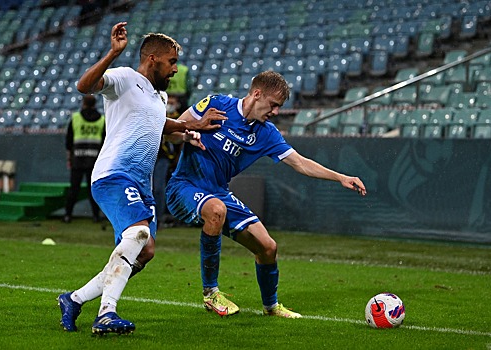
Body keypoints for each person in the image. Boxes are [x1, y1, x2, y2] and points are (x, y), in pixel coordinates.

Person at [57, 22, 225, 335]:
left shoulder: (159, 97)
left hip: (141, 186)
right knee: (137, 235)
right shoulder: (124, 78)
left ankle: (74, 299)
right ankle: (107, 313)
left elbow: (159, 124)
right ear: (152, 59)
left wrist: (192, 127)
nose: (176, 69)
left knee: (144, 251)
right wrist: (112, 53)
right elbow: (84, 85)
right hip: (114, 174)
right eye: (172, 62)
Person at [166, 71, 367, 319]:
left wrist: (340, 177)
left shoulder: (266, 133)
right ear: (257, 94)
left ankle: (271, 307)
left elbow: (300, 163)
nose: (275, 112)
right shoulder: (216, 104)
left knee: (268, 247)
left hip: (219, 193)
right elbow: (172, 131)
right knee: (216, 210)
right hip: (185, 185)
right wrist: (188, 133)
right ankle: (211, 293)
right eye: (273, 105)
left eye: (279, 107)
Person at [63, 94, 105, 224]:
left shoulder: (75, 118)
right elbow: (105, 141)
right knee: (92, 190)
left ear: (83, 103)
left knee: (73, 189)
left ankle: (68, 215)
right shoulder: (102, 119)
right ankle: (96, 216)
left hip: (78, 158)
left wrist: (69, 158)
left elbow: (69, 141)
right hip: (94, 160)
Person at [153, 95, 181, 228]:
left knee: (159, 188)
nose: (169, 104)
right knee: (151, 188)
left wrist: (177, 157)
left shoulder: (179, 118)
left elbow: (180, 140)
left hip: (165, 156)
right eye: (168, 102)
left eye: (172, 102)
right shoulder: (158, 114)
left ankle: (159, 218)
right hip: (152, 155)